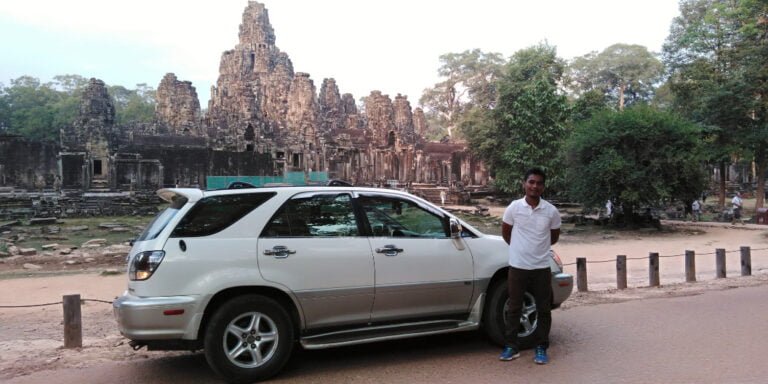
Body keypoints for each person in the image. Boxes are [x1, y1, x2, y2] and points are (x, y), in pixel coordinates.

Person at [499, 168, 561, 365]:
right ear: (524, 184)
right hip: (518, 266)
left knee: (543, 308)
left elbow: (554, 237)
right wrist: (521, 250)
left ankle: (541, 347)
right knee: (514, 307)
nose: (535, 186)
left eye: (539, 183)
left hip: (541, 267)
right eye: (531, 182)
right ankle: (511, 346)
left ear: (543, 186)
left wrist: (536, 250)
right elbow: (506, 234)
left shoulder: (551, 211)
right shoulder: (514, 208)